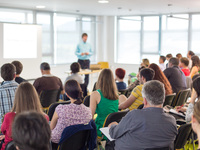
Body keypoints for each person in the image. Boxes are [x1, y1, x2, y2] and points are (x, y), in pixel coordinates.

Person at [108, 80, 178, 150]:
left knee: (109, 143)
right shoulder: (172, 121)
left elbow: (113, 134)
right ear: (163, 99)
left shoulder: (134, 115)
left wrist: (112, 125)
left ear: (144, 100)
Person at [0, 82, 49, 150]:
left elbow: (3, 130)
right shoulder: (44, 117)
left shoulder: (9, 116)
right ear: (35, 97)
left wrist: (7, 136)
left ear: (17, 98)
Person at [90, 69, 119, 138]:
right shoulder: (116, 94)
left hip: (101, 130)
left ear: (100, 79)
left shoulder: (95, 94)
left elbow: (90, 117)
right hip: (113, 129)